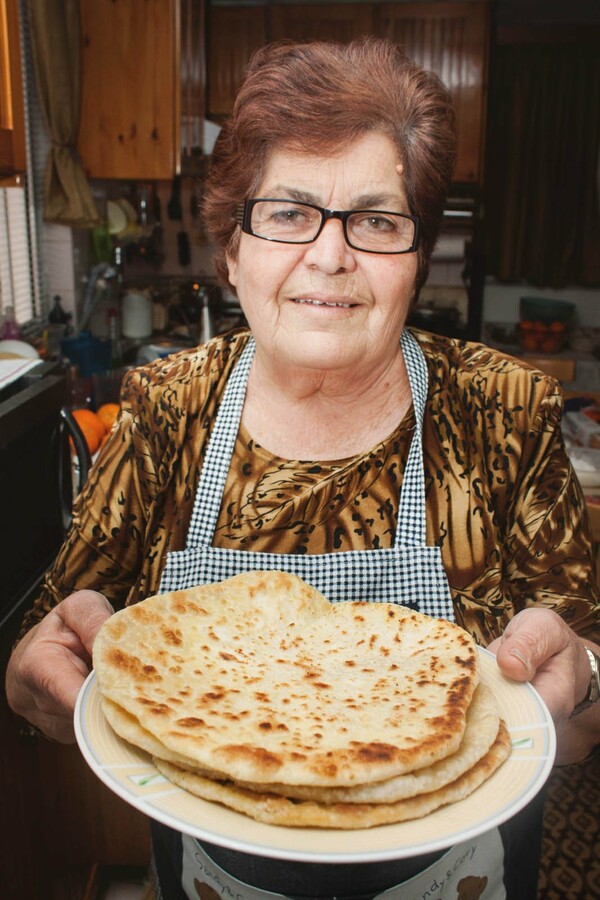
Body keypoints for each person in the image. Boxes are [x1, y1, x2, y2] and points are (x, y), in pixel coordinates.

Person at [5, 37, 599, 900]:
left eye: (376, 220)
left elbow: (582, 666)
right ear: (232, 250)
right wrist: (36, 670)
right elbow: (69, 645)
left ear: (416, 259)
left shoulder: (503, 409)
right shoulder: (167, 409)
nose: (330, 255)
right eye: (287, 212)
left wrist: (582, 686)